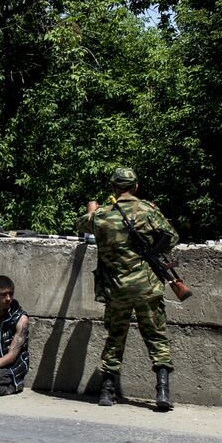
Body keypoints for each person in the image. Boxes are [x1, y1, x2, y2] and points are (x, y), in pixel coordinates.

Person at [77, 166, 180, 411]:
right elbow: (172, 237)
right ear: (136, 187)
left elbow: (81, 224)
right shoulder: (148, 210)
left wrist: (92, 209)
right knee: (156, 337)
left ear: (113, 188)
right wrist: (152, 251)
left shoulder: (102, 215)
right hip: (147, 287)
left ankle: (107, 391)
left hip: (116, 289)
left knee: (115, 338)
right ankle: (162, 391)